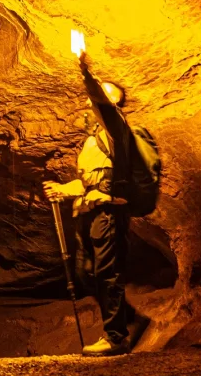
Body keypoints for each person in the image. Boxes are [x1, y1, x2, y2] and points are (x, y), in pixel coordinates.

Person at [43, 49, 140, 356]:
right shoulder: (93, 141)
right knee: (86, 273)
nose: (92, 102)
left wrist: (86, 73)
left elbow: (103, 106)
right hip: (88, 213)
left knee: (107, 274)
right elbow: (91, 182)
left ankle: (116, 336)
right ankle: (125, 317)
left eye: (104, 96)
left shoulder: (117, 131)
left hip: (108, 214)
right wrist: (63, 189)